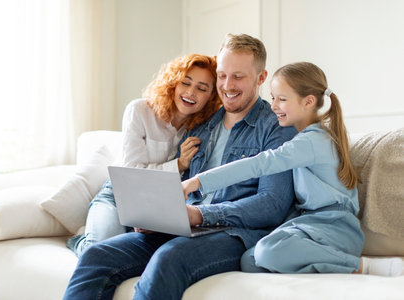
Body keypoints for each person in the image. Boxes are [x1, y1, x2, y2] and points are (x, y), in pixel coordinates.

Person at [63, 33, 296, 300]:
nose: (227, 85)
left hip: (234, 234)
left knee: (169, 258)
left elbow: (273, 204)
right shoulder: (202, 123)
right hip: (184, 227)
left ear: (261, 77)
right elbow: (181, 183)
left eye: (238, 77)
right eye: (222, 75)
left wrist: (199, 215)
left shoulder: (276, 128)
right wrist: (156, 215)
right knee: (96, 255)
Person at [182, 61, 404, 277]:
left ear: (308, 102)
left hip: (336, 228)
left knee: (268, 251)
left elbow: (260, 163)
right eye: (272, 98)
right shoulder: (301, 138)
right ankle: (318, 264)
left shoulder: (313, 140)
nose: (274, 106)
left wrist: (197, 181)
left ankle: (361, 266)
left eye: (282, 99)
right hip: (308, 224)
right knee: (250, 260)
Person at [67, 53, 222, 257]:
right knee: (99, 251)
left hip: (154, 204)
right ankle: (79, 240)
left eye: (202, 88)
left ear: (211, 97)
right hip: (118, 194)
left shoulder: (202, 129)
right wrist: (179, 164)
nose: (191, 92)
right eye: (186, 83)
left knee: (137, 254)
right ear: (174, 83)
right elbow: (133, 173)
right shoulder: (139, 110)